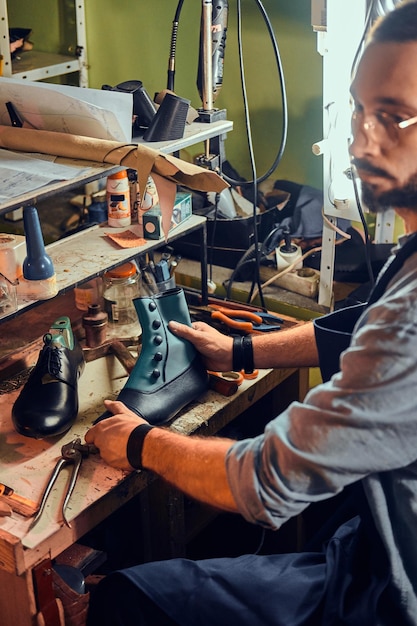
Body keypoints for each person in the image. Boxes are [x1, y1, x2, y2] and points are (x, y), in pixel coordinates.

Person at [85, 3, 417, 624]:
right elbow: (357, 331)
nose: (361, 138)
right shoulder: (410, 255)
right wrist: (238, 350)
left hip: (391, 594)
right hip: (378, 538)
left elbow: (266, 483)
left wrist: (139, 442)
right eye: (360, 109)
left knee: (127, 601)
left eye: (395, 117)